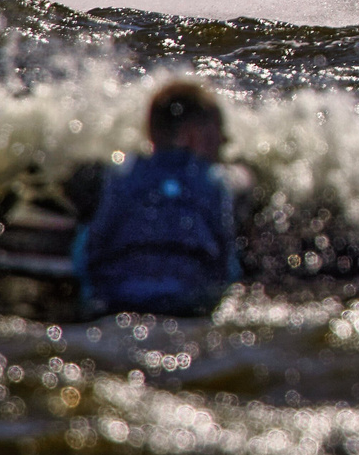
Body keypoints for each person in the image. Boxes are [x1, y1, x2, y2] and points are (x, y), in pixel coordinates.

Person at [75, 80, 243, 317]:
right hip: (188, 302)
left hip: (120, 298)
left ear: (152, 131)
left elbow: (93, 248)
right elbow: (226, 263)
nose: (224, 141)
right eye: (218, 131)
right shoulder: (213, 181)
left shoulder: (121, 174)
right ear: (193, 135)